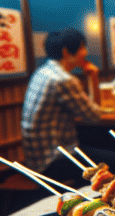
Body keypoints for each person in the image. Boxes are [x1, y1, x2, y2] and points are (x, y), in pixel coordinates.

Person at [21, 29, 105, 184]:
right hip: (53, 160)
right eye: (82, 48)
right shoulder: (63, 79)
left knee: (95, 144)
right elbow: (95, 116)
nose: (85, 52)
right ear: (66, 52)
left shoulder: (42, 72)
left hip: (35, 158)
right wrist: (94, 77)